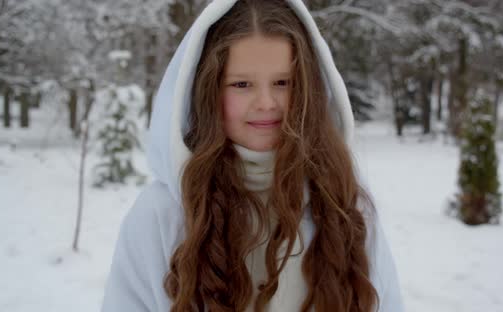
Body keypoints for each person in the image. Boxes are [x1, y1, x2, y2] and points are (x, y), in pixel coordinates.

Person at [101, 0, 404, 311]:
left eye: (283, 83)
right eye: (242, 84)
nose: (266, 102)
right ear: (208, 91)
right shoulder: (164, 213)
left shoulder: (342, 201)